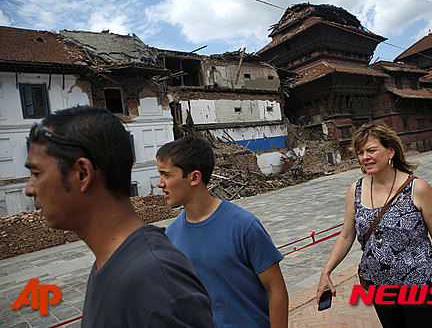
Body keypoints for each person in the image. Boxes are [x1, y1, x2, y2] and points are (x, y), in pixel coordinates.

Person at [24, 105, 214, 328]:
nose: (29, 188)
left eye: (36, 174)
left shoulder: (155, 279)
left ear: (82, 174)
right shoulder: (111, 264)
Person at [316, 120, 432, 328]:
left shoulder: (418, 188)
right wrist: (326, 271)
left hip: (421, 284)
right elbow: (346, 235)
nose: (365, 157)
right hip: (380, 285)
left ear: (390, 152)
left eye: (371, 150)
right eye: (361, 152)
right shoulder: (356, 190)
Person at [156, 136, 289, 328]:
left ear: (194, 177)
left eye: (166, 175)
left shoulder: (244, 226)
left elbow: (276, 289)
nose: (160, 183)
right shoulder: (172, 234)